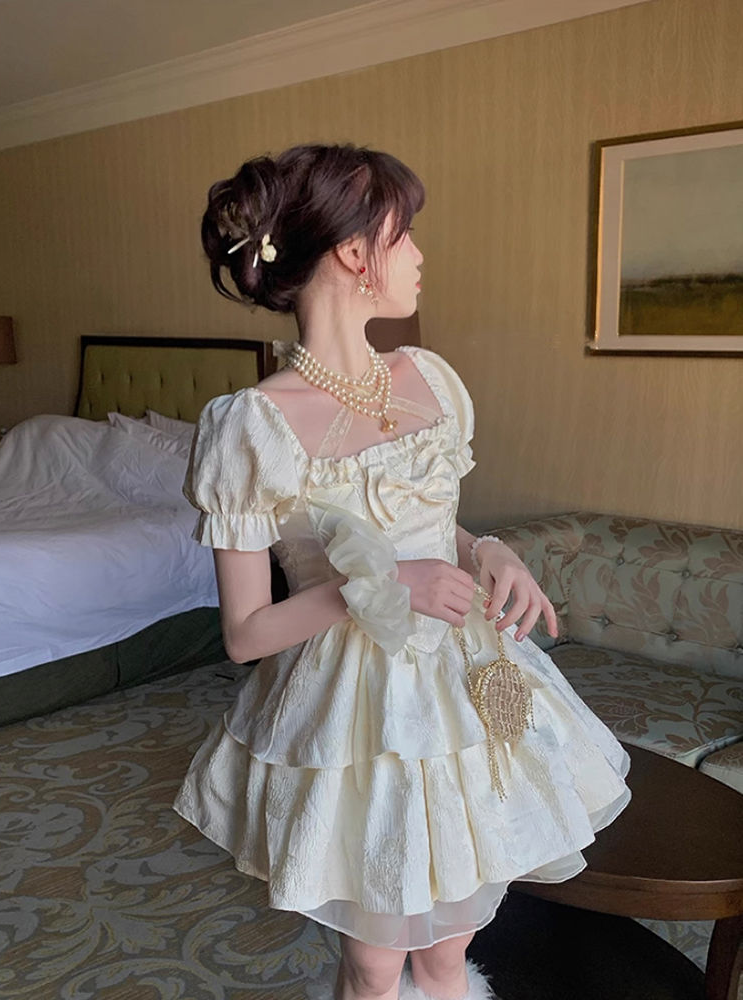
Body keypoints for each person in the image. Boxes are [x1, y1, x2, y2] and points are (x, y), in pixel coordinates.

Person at [173, 143, 631, 1000]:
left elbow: (433, 526)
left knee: (451, 950)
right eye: (405, 233)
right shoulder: (250, 426)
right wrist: (376, 588)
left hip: (467, 681)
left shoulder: (429, 380)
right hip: (353, 711)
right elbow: (245, 634)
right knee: (376, 962)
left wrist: (485, 550)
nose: (419, 253)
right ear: (355, 253)